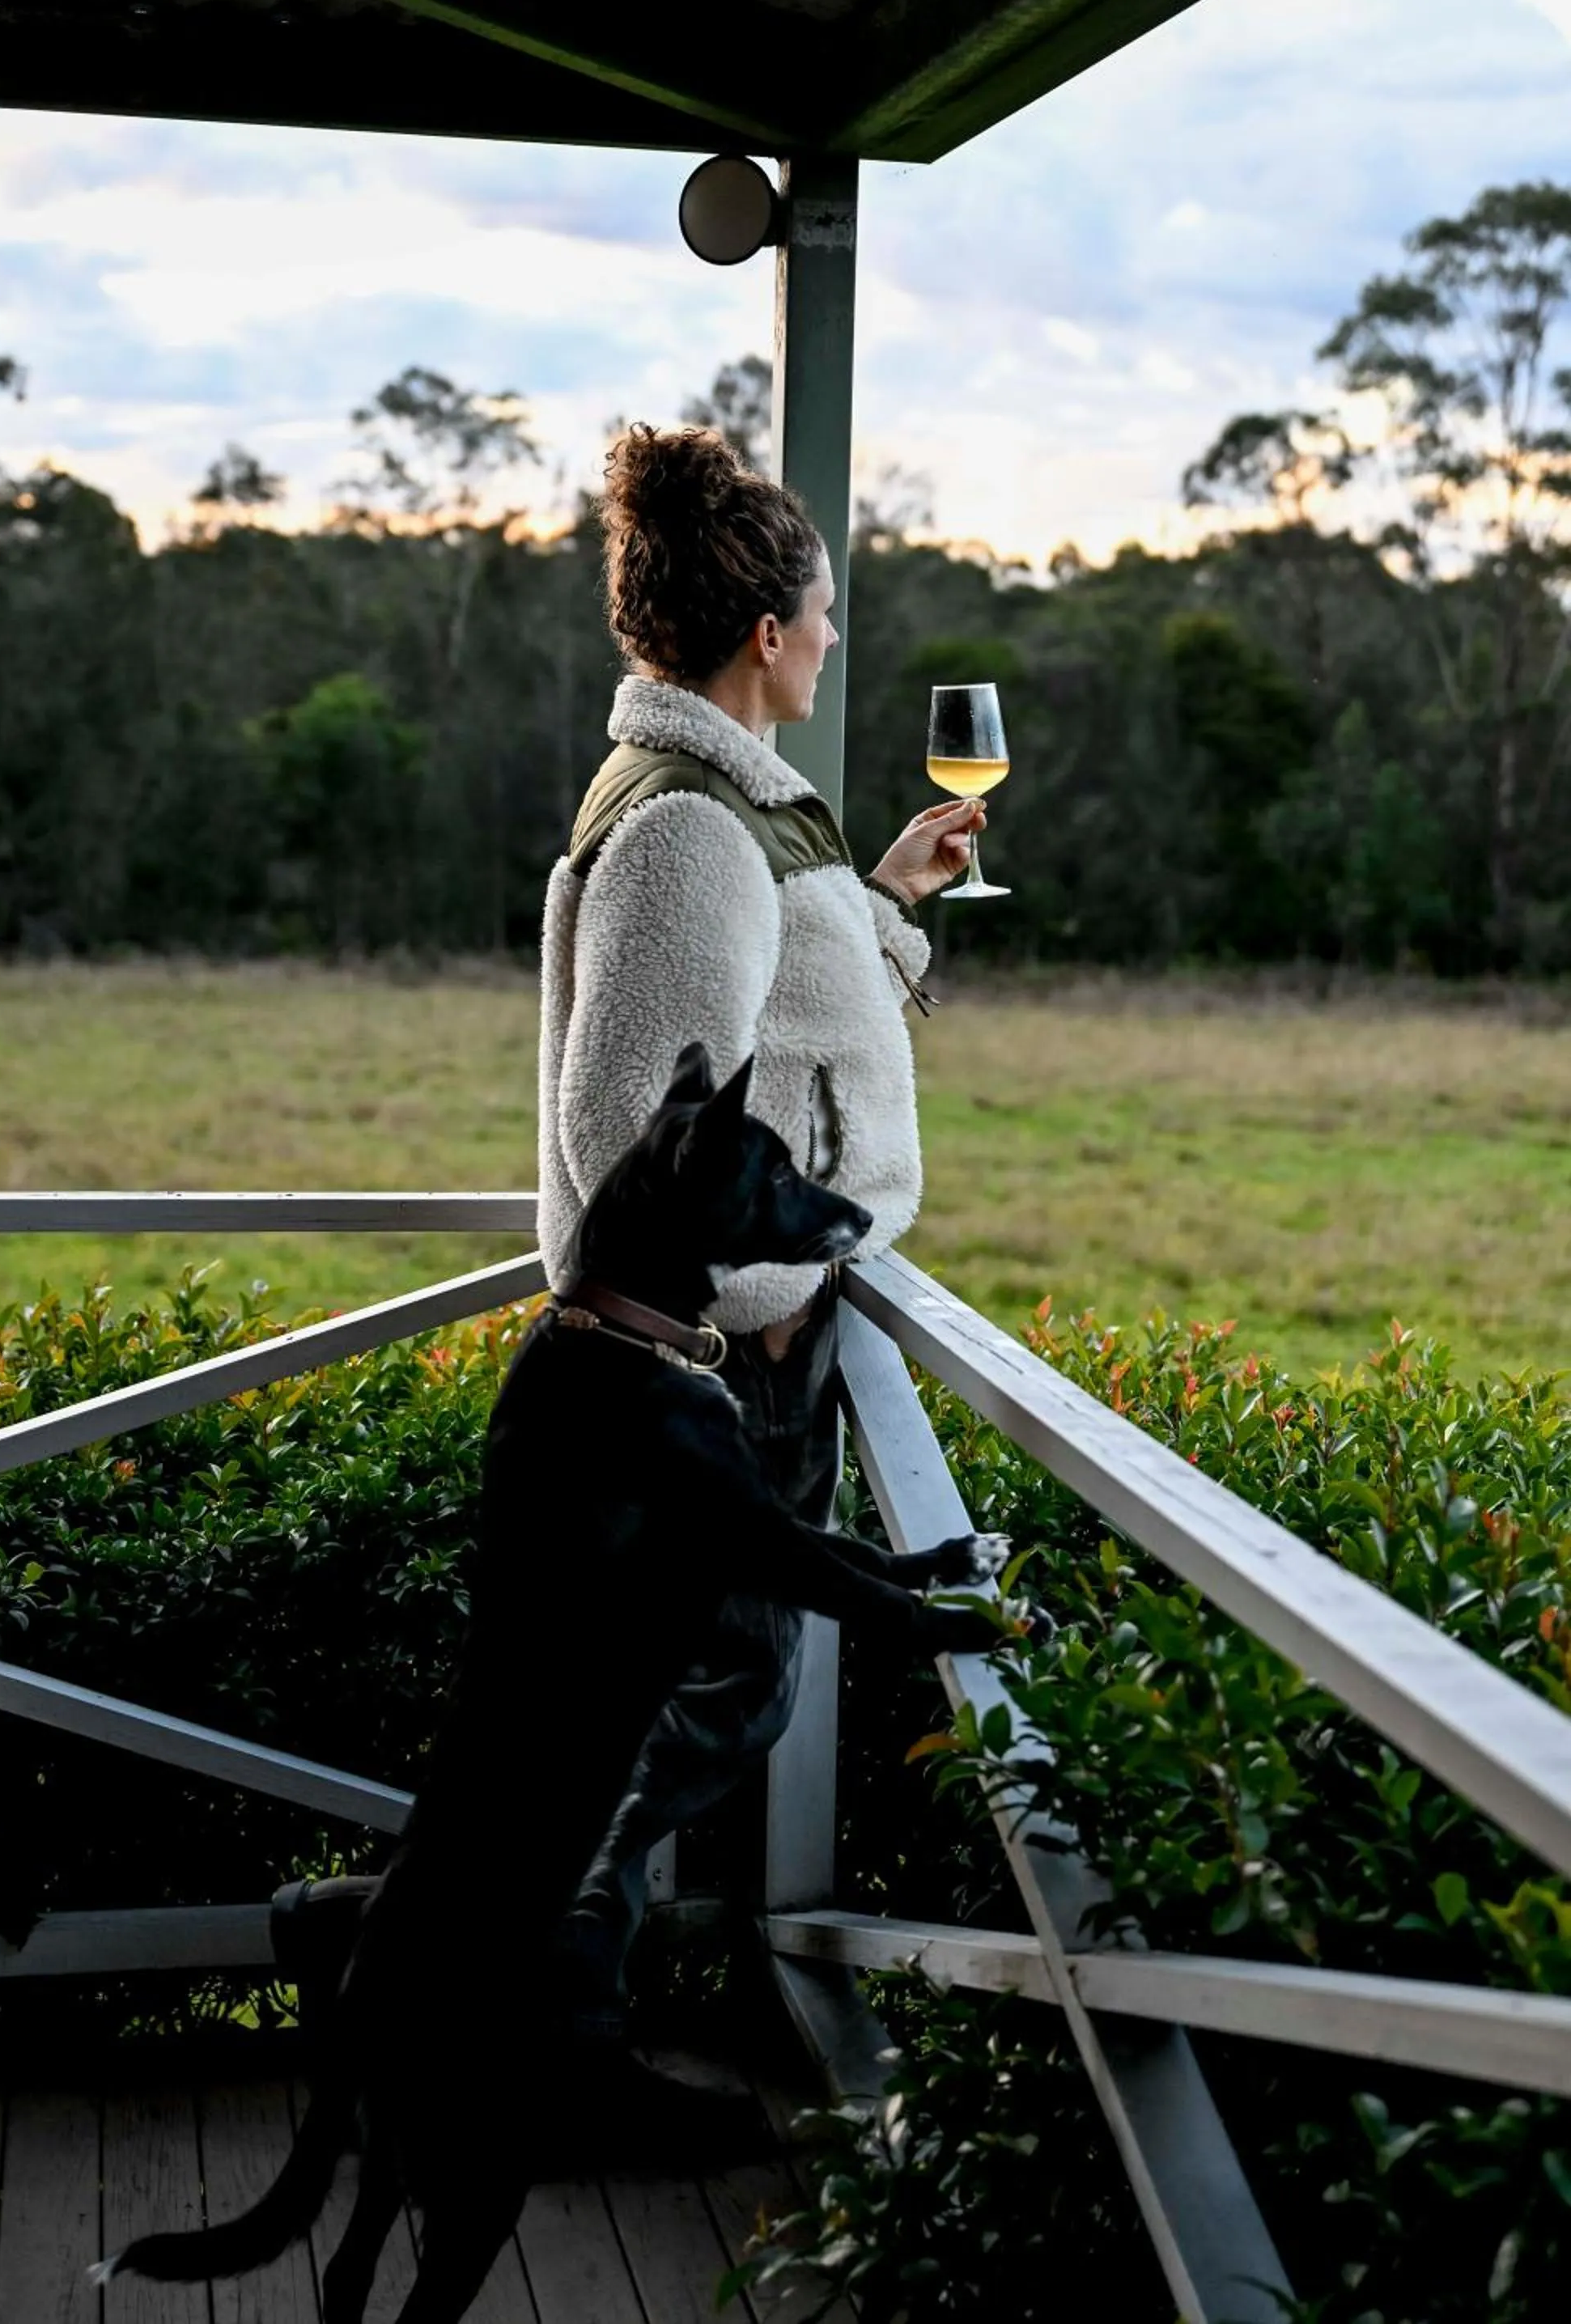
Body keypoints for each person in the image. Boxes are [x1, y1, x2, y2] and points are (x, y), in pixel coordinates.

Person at [536, 422, 984, 2126]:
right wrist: (745, 1309)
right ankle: (527, 2029)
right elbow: (632, 1120)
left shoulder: (737, 809)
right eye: (823, 608)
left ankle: (442, 1966)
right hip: (708, 1362)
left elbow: (772, 1017)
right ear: (764, 634)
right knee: (706, 1699)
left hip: (725, 1344)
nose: (835, 636)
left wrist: (877, 896)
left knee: (682, 1692)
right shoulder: (686, 832)